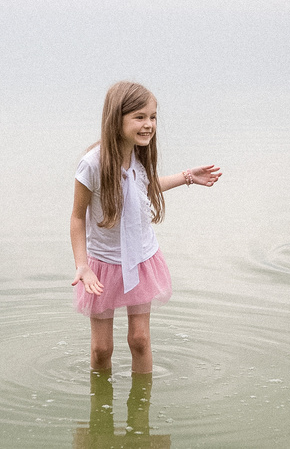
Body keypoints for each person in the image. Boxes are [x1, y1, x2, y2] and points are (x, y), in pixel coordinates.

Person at [71, 81, 221, 374]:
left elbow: (144, 188)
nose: (148, 125)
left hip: (140, 258)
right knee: (102, 349)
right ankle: (100, 410)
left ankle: (140, 417)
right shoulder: (91, 164)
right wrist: (82, 265)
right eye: (139, 117)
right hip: (102, 264)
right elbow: (77, 217)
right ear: (117, 118)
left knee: (139, 340)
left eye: (152, 117)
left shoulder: (140, 155)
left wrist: (188, 176)